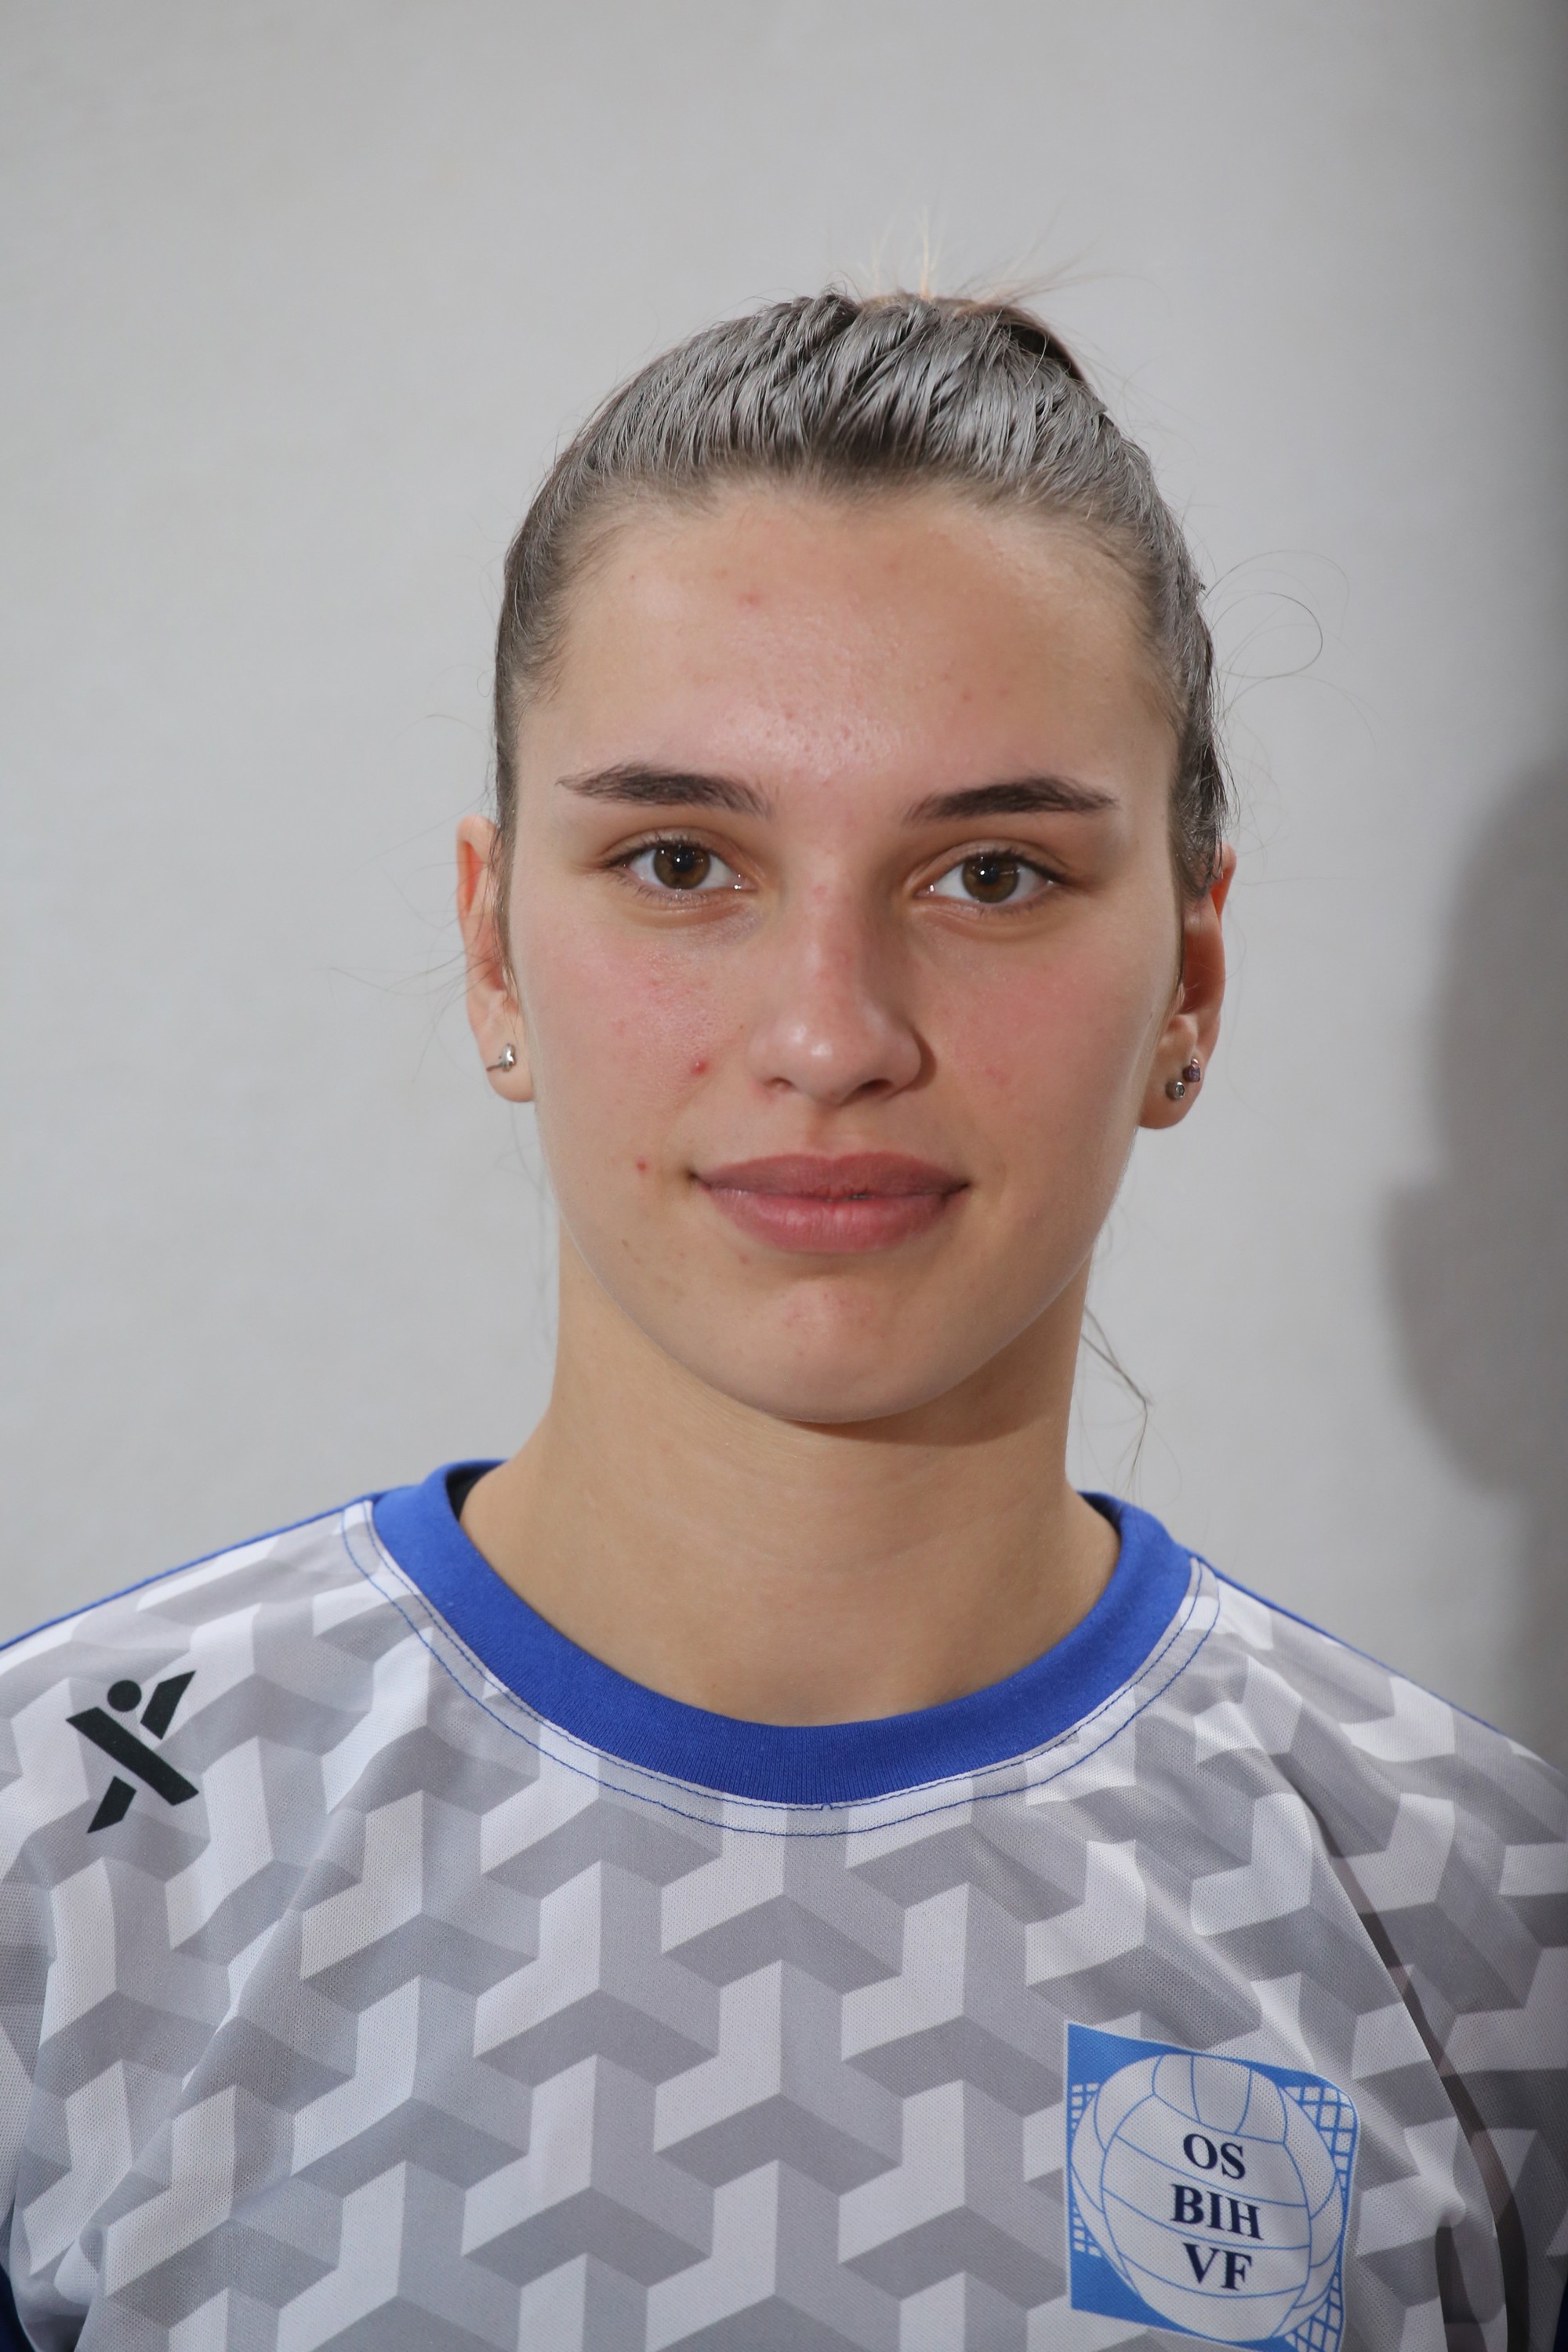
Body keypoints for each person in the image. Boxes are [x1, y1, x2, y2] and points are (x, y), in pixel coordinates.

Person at [0, 291, 1562, 2352]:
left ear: (1191, 979)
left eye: (991, 875)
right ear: (493, 952)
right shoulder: (56, 1866)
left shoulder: (1493, 1935)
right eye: (681, 860)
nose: (832, 1036)